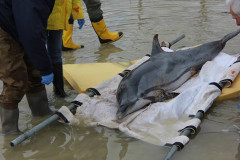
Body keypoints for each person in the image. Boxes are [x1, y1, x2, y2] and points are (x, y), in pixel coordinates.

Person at [0, 0, 55, 135]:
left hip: (16, 22)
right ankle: (9, 131)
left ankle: (42, 113)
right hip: (3, 28)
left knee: (35, 73)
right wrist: (46, 68)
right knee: (15, 80)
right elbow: (31, 30)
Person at [47, 0, 85, 97]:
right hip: (39, 18)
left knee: (56, 55)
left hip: (59, 19)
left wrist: (78, 13)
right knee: (35, 53)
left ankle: (60, 93)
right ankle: (38, 95)